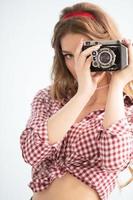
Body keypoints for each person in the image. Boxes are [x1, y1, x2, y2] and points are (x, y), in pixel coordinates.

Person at [20, 2, 133, 200]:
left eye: (86, 52)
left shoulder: (127, 107)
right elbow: (31, 152)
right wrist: (83, 94)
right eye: (68, 56)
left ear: (108, 47)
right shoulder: (49, 98)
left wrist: (118, 83)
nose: (78, 63)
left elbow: (114, 161)